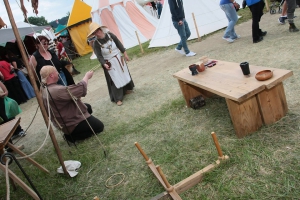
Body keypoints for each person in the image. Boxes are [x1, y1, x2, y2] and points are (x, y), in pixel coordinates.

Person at [40, 65, 104, 143]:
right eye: (56, 72)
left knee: (88, 107)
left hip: (64, 118)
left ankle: (82, 126)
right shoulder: (55, 90)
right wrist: (86, 77)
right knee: (99, 127)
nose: (58, 73)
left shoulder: (44, 88)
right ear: (51, 75)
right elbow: (80, 89)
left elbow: (69, 93)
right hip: (69, 122)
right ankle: (71, 136)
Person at [87, 22, 135, 106]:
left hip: (118, 58)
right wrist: (103, 64)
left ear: (100, 29)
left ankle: (126, 89)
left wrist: (125, 53)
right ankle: (118, 98)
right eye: (94, 32)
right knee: (115, 79)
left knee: (123, 74)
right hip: (109, 63)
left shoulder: (110, 35)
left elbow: (118, 43)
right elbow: (99, 56)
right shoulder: (96, 43)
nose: (97, 32)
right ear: (93, 34)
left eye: (97, 30)